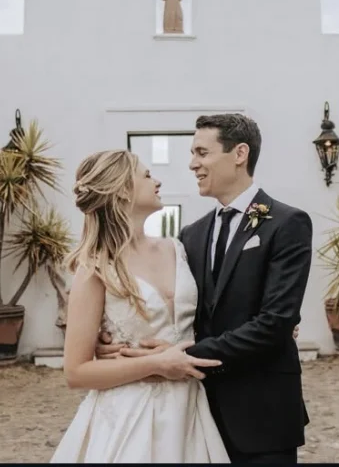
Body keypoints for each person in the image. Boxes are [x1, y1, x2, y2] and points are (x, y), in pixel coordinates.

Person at [99, 114, 313, 463]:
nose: (192, 163)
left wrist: (187, 354)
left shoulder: (287, 223)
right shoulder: (191, 235)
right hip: (194, 410)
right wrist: (111, 340)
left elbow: (276, 321)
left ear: (239, 153)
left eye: (201, 152)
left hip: (262, 411)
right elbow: (178, 310)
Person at [50, 149, 230, 463]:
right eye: (147, 175)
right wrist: (156, 364)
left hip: (190, 408)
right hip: (129, 415)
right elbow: (76, 372)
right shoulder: (95, 268)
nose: (157, 181)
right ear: (121, 190)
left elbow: (208, 316)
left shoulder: (177, 247)